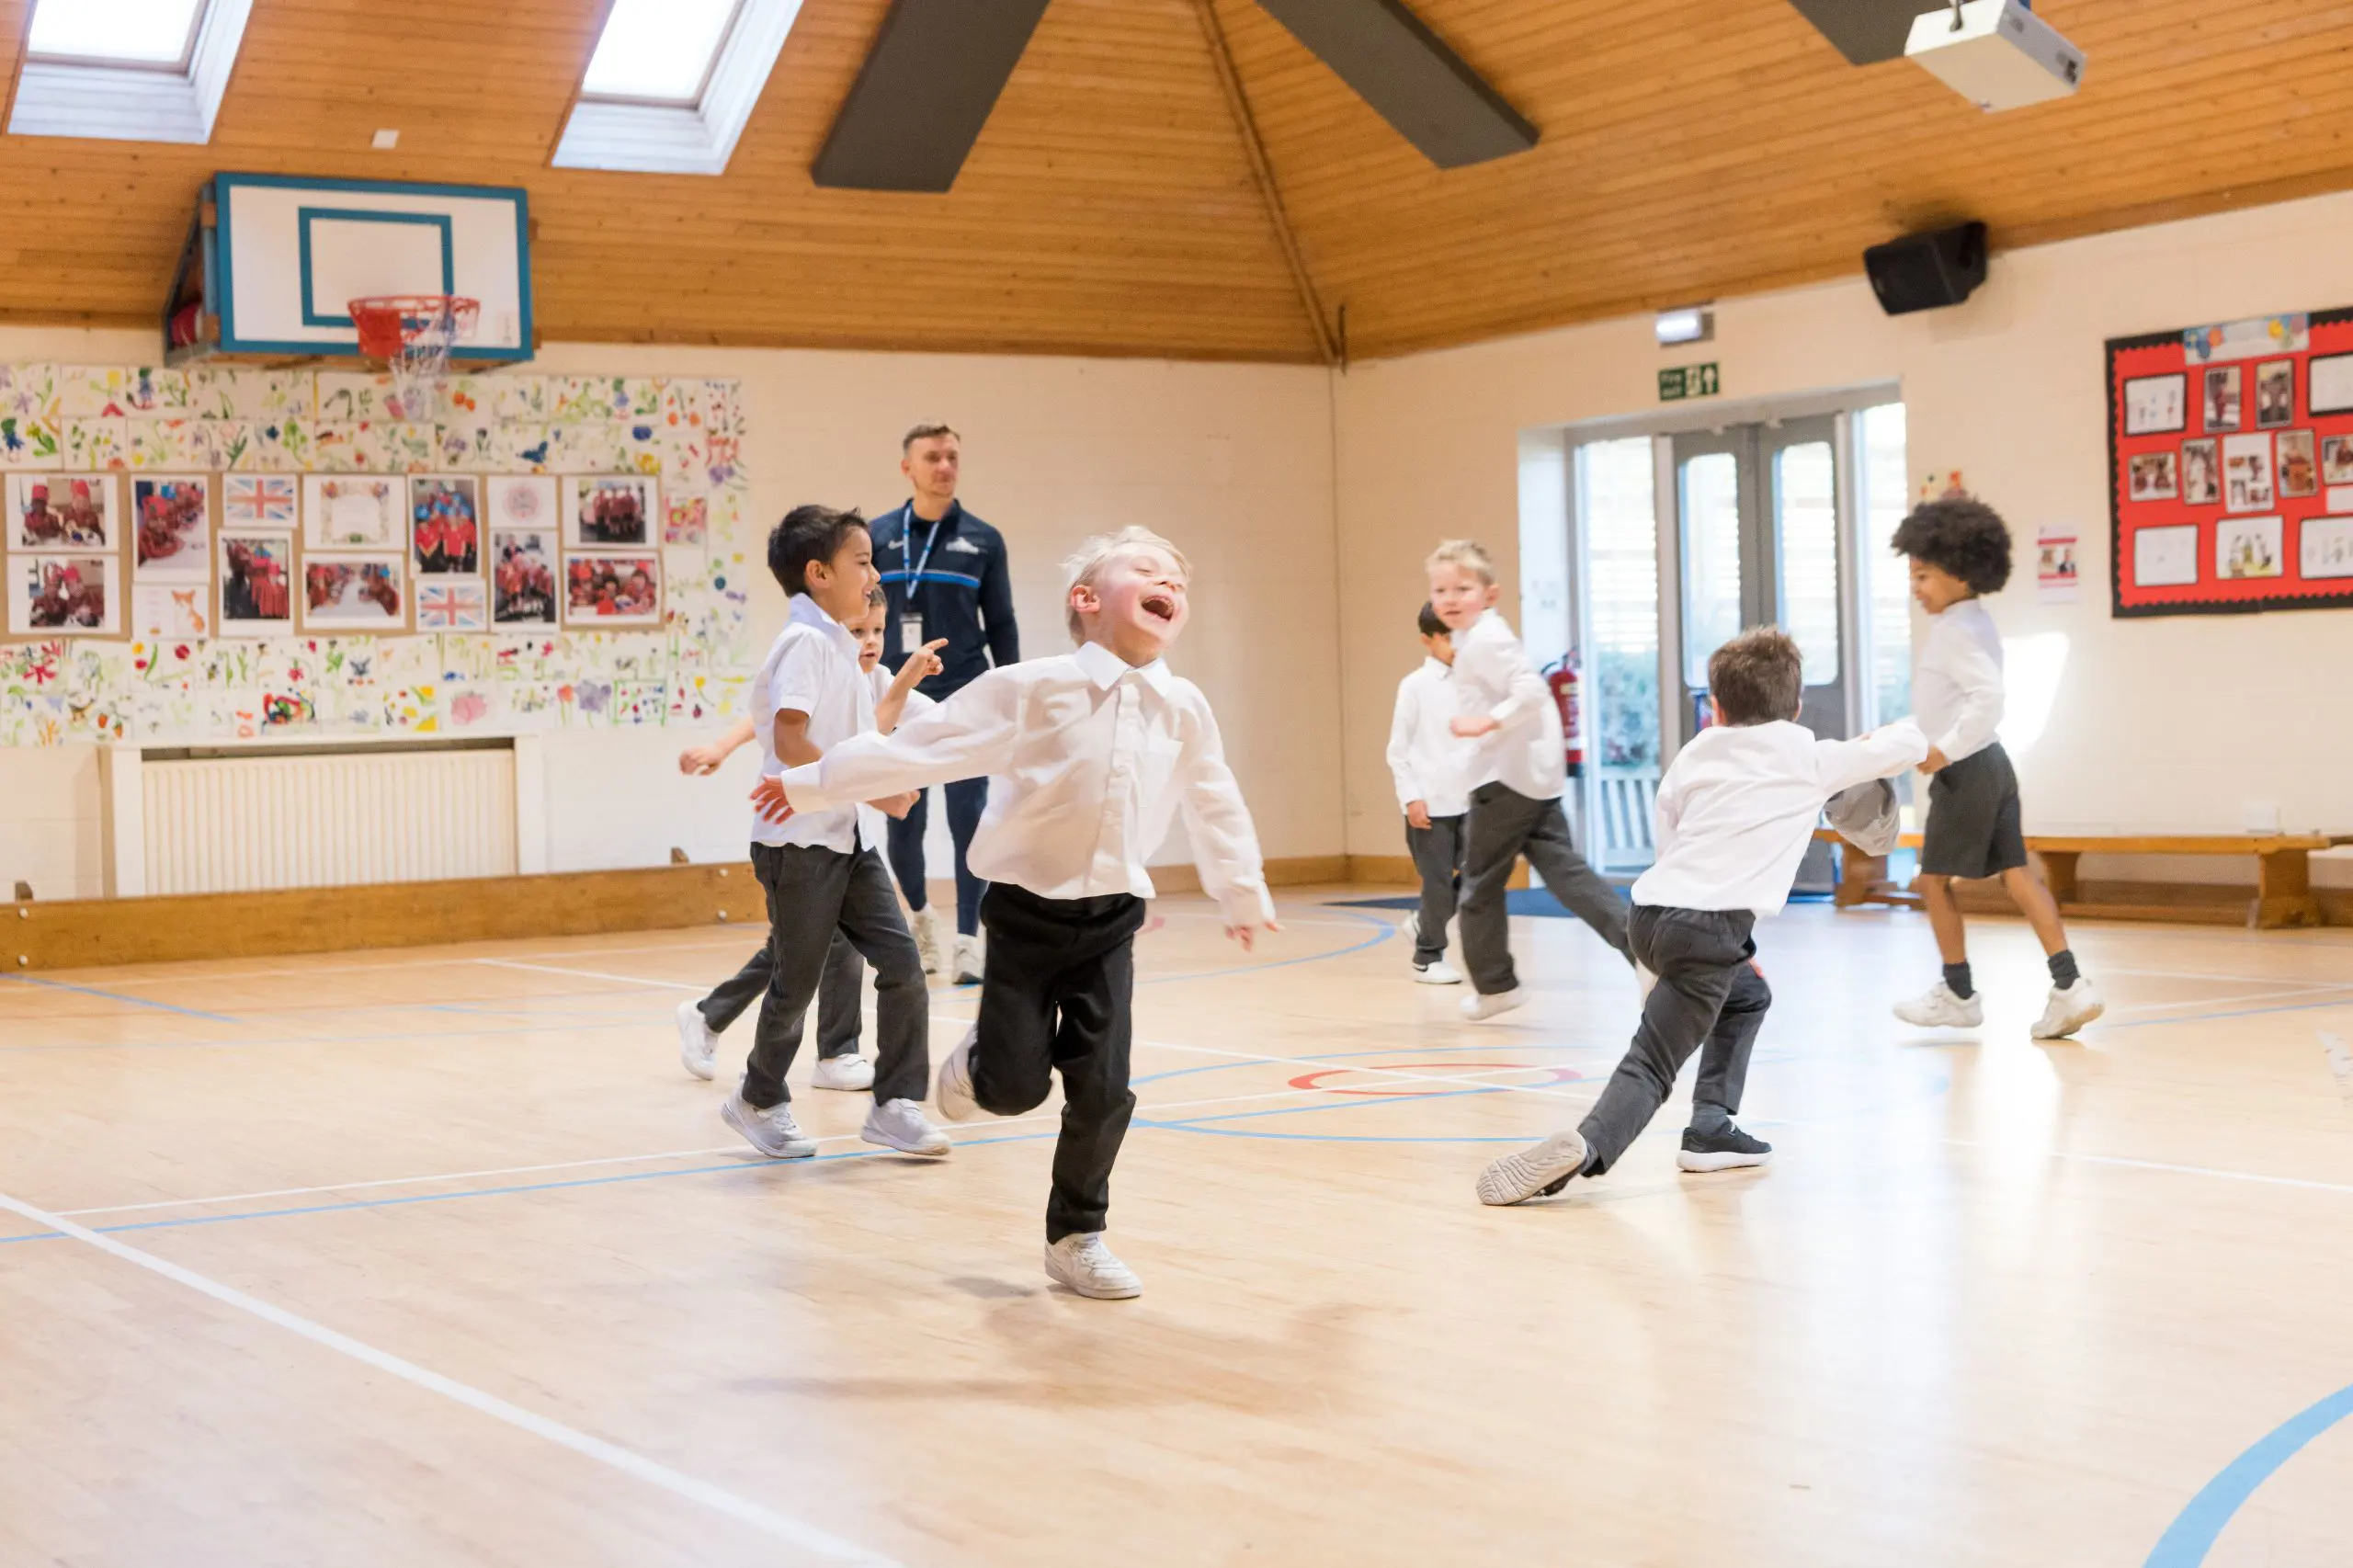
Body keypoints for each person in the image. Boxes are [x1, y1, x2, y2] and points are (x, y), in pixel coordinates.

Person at [756, 527, 1277, 1301]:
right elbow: (924, 747)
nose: (1170, 581)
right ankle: (976, 1065)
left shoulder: (1183, 705)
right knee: (1011, 1090)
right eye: (1147, 570)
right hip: (1027, 917)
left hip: (1113, 919)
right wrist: (812, 784)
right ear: (1087, 601)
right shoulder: (1032, 688)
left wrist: (1240, 889)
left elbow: (1213, 797)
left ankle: (1077, 1233)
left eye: (1179, 578)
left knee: (1105, 1089)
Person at [1476, 628, 1929, 1205]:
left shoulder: (1697, 752)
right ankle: (1585, 1147)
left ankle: (1711, 1130)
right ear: (1795, 707)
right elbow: (1908, 745)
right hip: (1711, 929)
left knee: (1747, 997)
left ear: (1715, 707)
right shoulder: (1809, 755)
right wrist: (1885, 736)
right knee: (1652, 1062)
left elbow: (1668, 833)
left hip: (1650, 913)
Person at [716, 506, 949, 1165]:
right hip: (797, 842)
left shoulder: (841, 644)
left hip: (848, 840)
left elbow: (855, 738)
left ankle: (897, 1103)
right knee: (797, 980)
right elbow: (789, 738)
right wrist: (871, 790)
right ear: (818, 574)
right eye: (862, 561)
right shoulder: (806, 645)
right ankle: (758, 1099)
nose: (874, 571)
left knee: (902, 963)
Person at [676, 589, 944, 1089]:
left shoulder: (878, 678)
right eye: (859, 630)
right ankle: (802, 1060)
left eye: (877, 632)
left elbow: (940, 722)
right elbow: (778, 722)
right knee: (808, 954)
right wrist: (720, 746)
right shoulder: (821, 659)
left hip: (845, 836)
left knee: (817, 949)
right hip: (796, 832)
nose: (869, 641)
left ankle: (731, 1021)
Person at [1887, 497, 2105, 1040]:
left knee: (1931, 883)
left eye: (1924, 575)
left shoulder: (1954, 632)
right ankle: (2070, 985)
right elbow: (1951, 704)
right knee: (2019, 876)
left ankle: (1958, 994)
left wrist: (1943, 752)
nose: (1916, 588)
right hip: (1992, 764)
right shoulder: (1973, 622)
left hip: (1969, 771)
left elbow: (1987, 699)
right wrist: (1900, 734)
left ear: (1960, 573)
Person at [1426, 539, 1631, 1021]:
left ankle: (1497, 986)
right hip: (1529, 777)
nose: (1450, 598)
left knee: (1478, 886)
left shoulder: (1486, 641)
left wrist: (1488, 721)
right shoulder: (1475, 639)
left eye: (1462, 588)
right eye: (1440, 590)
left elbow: (1532, 690)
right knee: (1566, 873)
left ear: (1490, 594)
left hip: (1507, 781)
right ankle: (1645, 952)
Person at [871, 423, 1018, 984]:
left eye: (952, 456)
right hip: (901, 698)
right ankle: (920, 922)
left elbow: (1001, 623)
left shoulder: (983, 540)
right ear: (907, 467)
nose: (944, 466)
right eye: (932, 457)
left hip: (966, 697)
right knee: (905, 818)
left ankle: (966, 940)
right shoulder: (878, 536)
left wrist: (1011, 699)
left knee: (970, 820)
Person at [1387, 601, 1469, 984]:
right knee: (1436, 883)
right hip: (1430, 804)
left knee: (1482, 873)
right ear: (1427, 640)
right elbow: (1398, 750)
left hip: (1471, 802)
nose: (1459, 644)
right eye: (1449, 636)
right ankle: (1427, 956)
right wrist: (1411, 798)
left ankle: (1423, 921)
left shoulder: (1476, 683)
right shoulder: (1415, 686)